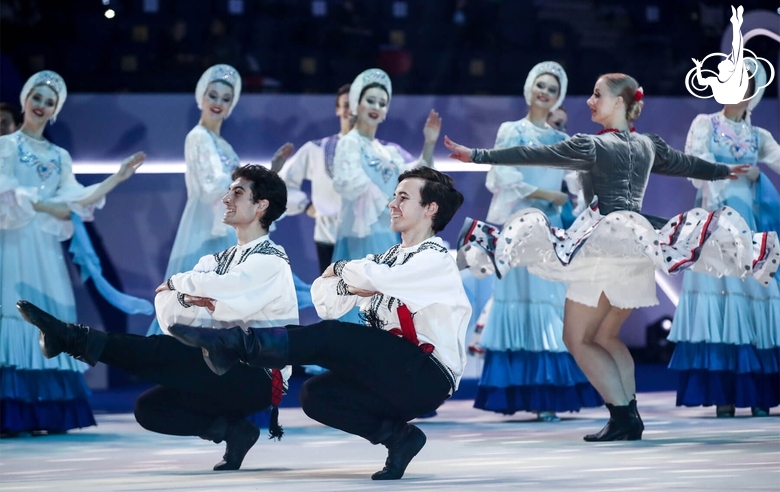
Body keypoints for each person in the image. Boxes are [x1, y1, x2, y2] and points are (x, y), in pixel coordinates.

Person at [445, 73, 779, 442]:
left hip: (605, 245)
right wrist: (721, 171)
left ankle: (623, 416)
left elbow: (533, 153)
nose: (589, 101)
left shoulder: (592, 145)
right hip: (638, 244)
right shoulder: (648, 145)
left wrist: (476, 155)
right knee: (605, 335)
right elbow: (687, 164)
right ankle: (627, 414)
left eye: (596, 95)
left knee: (576, 338)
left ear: (619, 103)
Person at [167, 167, 471, 481]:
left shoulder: (436, 260)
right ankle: (399, 438)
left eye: (403, 198)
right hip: (393, 373)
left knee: (336, 336)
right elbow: (326, 300)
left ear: (430, 209)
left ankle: (234, 344)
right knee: (316, 394)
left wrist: (342, 268)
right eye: (394, 196)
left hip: (426, 375)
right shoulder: (385, 259)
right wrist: (354, 281)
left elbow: (374, 279)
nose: (392, 204)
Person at [17, 165, 297, 470]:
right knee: (150, 408)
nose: (226, 198)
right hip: (221, 366)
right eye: (229, 190)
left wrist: (180, 286)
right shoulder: (214, 260)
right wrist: (189, 295)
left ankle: (73, 337)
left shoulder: (272, 260)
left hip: (259, 378)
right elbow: (168, 313)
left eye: (238, 192)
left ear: (261, 206)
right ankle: (234, 431)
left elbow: (229, 298)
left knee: (171, 352)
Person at [0, 70, 146, 435]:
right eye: (37, 98)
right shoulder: (4, 146)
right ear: (25, 99)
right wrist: (48, 207)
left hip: (45, 250)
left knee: (48, 315)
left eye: (50, 103)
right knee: (12, 312)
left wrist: (117, 177)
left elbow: (78, 198)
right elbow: (8, 193)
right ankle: (11, 415)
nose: (41, 106)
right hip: (14, 242)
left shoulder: (59, 156)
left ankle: (45, 415)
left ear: (55, 111)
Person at [472, 62, 602, 422]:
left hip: (552, 230)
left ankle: (548, 397)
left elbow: (579, 184)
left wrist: (584, 200)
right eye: (540, 85)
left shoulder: (562, 141)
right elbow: (501, 173)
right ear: (530, 88)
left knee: (549, 303)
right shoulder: (511, 130)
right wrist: (546, 191)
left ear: (557, 97)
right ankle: (520, 392)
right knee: (519, 300)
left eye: (551, 88)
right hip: (520, 227)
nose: (544, 91)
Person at [669, 62, 780, 417]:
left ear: (751, 91)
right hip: (716, 229)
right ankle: (724, 395)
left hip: (750, 227)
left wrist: (756, 174)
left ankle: (760, 394)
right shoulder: (705, 124)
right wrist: (721, 172)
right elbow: (693, 167)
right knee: (720, 302)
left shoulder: (758, 136)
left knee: (755, 299)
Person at [148, 64, 292, 336]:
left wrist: (270, 173)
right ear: (201, 96)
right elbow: (210, 187)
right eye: (213, 95)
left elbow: (239, 189)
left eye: (226, 99)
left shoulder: (223, 144)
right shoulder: (198, 137)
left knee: (221, 297)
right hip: (204, 225)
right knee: (195, 299)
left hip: (225, 224)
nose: (218, 103)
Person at [331, 68, 441, 323]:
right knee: (360, 299)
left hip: (385, 234)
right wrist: (387, 198)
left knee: (381, 304)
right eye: (370, 100)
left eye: (382, 103)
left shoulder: (387, 152)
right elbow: (346, 183)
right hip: (360, 234)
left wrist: (429, 142)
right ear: (357, 103)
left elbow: (418, 177)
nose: (376, 107)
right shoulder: (349, 143)